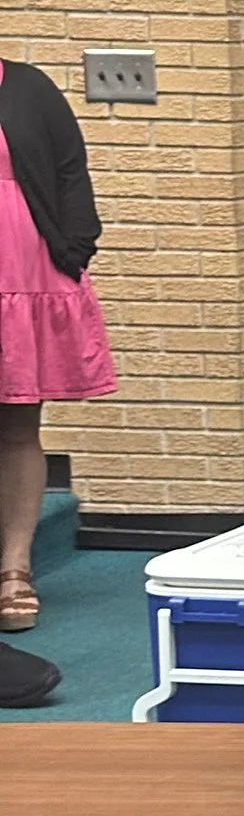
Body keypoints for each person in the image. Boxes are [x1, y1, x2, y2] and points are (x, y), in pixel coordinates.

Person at [0, 51, 117, 637]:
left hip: (22, 270)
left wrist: (75, 250)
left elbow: (71, 171)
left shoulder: (28, 87)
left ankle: (14, 570)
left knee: (19, 423)